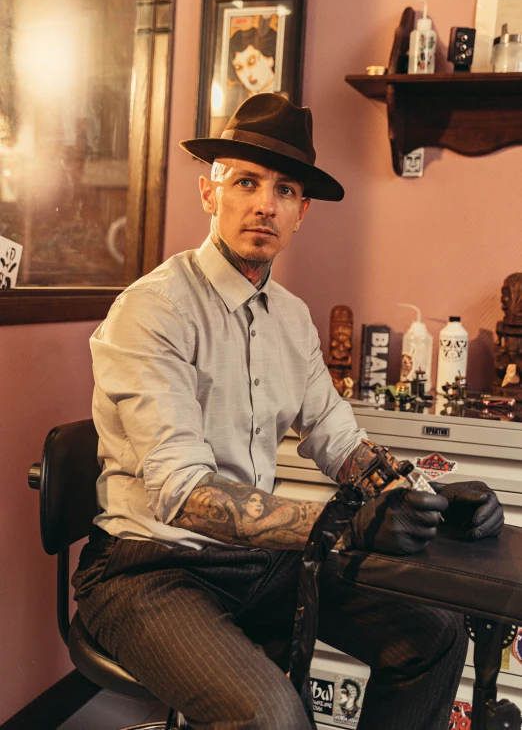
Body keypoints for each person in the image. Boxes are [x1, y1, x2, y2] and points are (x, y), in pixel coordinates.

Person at [72, 93, 504, 730]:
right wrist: (346, 525)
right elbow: (181, 491)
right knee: (273, 717)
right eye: (245, 182)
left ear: (302, 212)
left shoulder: (293, 318)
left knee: (434, 634)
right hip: (148, 568)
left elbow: (339, 440)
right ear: (208, 193)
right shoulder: (153, 309)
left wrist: (425, 496)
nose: (264, 204)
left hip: (255, 564)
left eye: (285, 190)